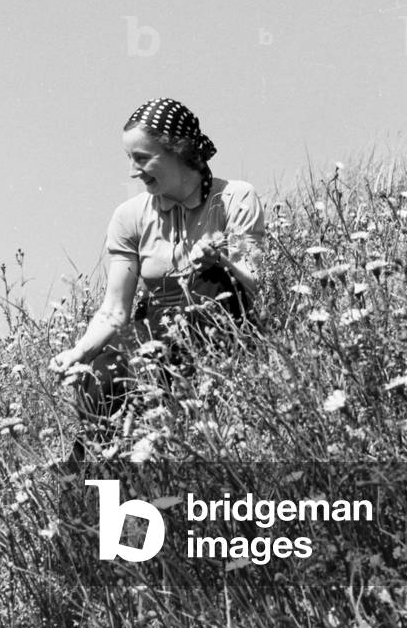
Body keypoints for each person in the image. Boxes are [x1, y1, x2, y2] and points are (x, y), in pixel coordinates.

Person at [49, 98, 266, 456]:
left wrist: (222, 259)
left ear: (178, 151)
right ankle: (93, 470)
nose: (134, 170)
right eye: (129, 159)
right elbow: (115, 310)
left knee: (208, 282)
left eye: (143, 158)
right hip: (154, 325)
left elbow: (254, 279)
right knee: (102, 374)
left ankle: (164, 441)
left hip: (220, 316)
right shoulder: (129, 216)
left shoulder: (235, 197)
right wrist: (80, 351)